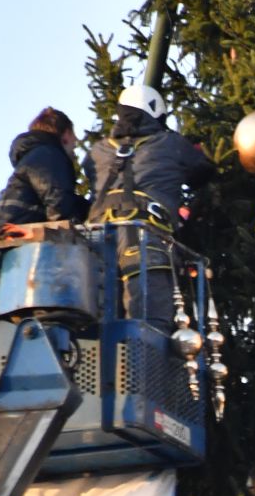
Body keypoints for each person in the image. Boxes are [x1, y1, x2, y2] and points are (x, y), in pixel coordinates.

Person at [83, 85, 220, 327]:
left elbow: (90, 172)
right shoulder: (170, 143)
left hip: (96, 240)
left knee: (100, 323)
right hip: (145, 239)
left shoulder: (98, 150)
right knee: (149, 322)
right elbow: (204, 171)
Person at [0, 108, 88, 227]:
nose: (76, 141)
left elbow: (62, 199)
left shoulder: (37, 156)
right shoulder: (48, 154)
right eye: (73, 135)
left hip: (7, 226)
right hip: (14, 232)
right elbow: (58, 201)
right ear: (66, 134)